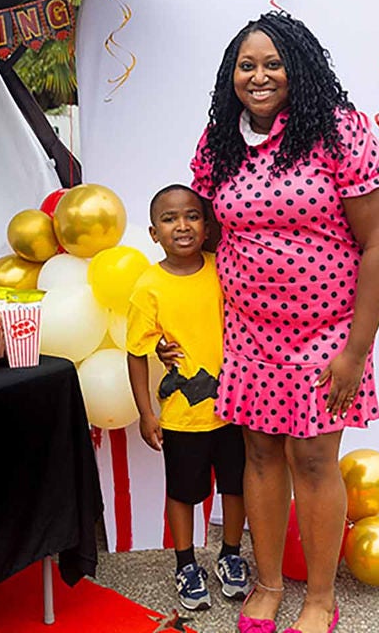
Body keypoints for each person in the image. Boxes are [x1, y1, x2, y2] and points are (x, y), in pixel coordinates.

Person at [184, 11, 379, 633]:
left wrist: (356, 352)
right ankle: (270, 583)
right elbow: (211, 227)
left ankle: (319, 599)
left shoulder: (338, 132)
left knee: (312, 458)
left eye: (272, 63)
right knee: (257, 454)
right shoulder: (220, 139)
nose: (258, 76)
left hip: (328, 333)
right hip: (251, 333)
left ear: (298, 69)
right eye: (245, 66)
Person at [125, 184, 254, 612]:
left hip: (235, 406)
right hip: (183, 415)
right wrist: (146, 413)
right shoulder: (148, 286)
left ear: (206, 225)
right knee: (183, 492)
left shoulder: (223, 268)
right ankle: (185, 563)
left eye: (192, 215)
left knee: (235, 487)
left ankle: (231, 555)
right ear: (153, 232)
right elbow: (137, 353)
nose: (182, 225)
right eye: (169, 218)